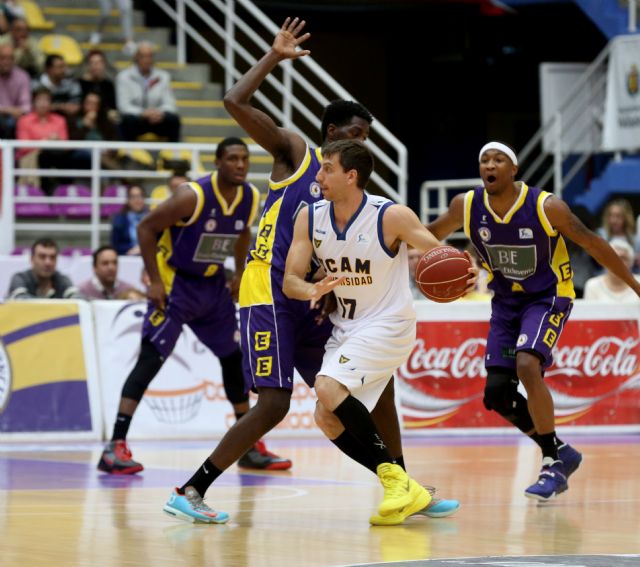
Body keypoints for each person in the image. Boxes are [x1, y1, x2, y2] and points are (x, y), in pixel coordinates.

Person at [162, 17, 456, 525]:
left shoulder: (348, 194)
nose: (363, 145)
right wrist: (275, 56)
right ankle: (191, 489)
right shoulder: (297, 153)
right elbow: (234, 102)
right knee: (275, 404)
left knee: (367, 385)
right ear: (331, 135)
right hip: (268, 293)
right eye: (356, 134)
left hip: (308, 298)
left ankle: (405, 486)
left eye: (367, 137)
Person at [426, 141, 640, 501]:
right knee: (496, 393)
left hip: (548, 297)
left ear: (514, 170)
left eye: (498, 160)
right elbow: (429, 233)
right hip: (506, 302)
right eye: (484, 160)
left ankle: (552, 462)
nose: (489, 165)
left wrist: (635, 285)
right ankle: (561, 452)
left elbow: (593, 243)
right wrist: (389, 246)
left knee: (527, 364)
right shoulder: (467, 205)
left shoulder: (546, 206)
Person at [283, 139, 471, 525]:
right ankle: (405, 486)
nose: (317, 177)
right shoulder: (310, 217)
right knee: (326, 417)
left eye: (327, 169)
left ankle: (396, 481)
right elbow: (290, 281)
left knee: (327, 388)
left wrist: (464, 274)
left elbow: (441, 255)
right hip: (347, 329)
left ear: (351, 176)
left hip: (389, 324)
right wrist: (312, 289)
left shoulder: (391, 216)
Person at [97, 137, 291, 474]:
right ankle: (115, 446)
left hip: (213, 286)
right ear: (217, 162)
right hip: (176, 284)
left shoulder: (249, 196)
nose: (240, 165)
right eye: (232, 158)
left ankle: (248, 446)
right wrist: (155, 281)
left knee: (233, 359)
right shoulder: (193, 195)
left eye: (244, 158)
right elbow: (146, 228)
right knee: (150, 359)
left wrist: (239, 271)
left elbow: (243, 232)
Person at [116, 42, 181, 142]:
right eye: (143, 56)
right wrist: (143, 113)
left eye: (150, 56)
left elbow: (170, 104)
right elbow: (123, 106)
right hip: (137, 120)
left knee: (173, 119)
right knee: (127, 121)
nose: (147, 60)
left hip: (158, 119)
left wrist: (159, 112)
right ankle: (128, 155)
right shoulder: (124, 77)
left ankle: (173, 155)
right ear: (136, 57)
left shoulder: (163, 76)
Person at [7, 237, 81, 299]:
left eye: (52, 257)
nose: (48, 263)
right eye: (42, 257)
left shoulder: (63, 280)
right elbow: (21, 300)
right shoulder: (20, 278)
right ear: (32, 259)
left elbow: (78, 299)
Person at [583, 237, 640, 303]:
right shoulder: (592, 285)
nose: (618, 262)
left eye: (623, 258)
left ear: (631, 262)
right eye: (612, 257)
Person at [34, 54, 82, 119]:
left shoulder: (71, 83)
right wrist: (63, 106)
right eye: (60, 67)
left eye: (64, 67)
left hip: (65, 121)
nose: (64, 70)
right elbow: (33, 108)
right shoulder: (35, 84)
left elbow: (75, 107)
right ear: (49, 69)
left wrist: (53, 106)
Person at [0, 43, 30, 139]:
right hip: (6, 116)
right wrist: (8, 110)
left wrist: (18, 112)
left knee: (18, 122)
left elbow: (27, 106)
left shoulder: (22, 76)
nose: (7, 62)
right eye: (3, 58)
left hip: (16, 118)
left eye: (10, 58)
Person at [78, 50, 117, 117]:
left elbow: (112, 106)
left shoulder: (108, 85)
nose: (96, 66)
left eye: (99, 62)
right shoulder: (79, 84)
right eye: (92, 62)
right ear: (88, 65)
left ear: (104, 64)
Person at [110, 185, 147, 255]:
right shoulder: (119, 219)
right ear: (128, 200)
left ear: (144, 198)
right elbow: (115, 246)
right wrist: (132, 249)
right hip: (127, 257)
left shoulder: (152, 217)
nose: (137, 200)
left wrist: (142, 248)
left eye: (140, 196)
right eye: (133, 197)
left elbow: (158, 242)